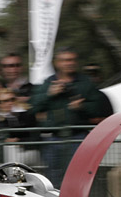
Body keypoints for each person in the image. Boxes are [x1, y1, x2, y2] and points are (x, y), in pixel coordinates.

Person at [30, 48, 108, 186]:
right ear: (57, 63)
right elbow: (32, 107)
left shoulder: (86, 83)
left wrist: (82, 107)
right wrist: (49, 94)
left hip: (78, 137)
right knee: (53, 178)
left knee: (79, 176)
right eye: (65, 60)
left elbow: (101, 109)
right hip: (53, 138)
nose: (69, 63)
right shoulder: (48, 83)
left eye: (72, 60)